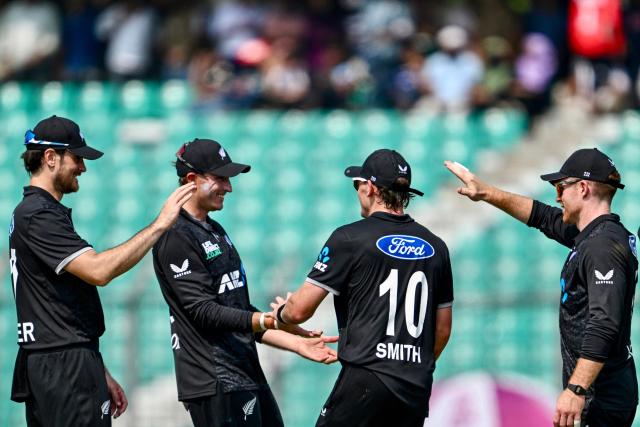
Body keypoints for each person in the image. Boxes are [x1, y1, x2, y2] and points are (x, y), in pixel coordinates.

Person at [8, 115, 195, 426]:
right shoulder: (38, 214)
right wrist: (160, 225)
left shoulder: (36, 212)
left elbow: (63, 303)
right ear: (51, 157)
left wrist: (99, 369)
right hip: (63, 364)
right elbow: (98, 271)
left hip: (63, 357)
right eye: (77, 158)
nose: (82, 167)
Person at [152, 138, 338, 427]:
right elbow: (204, 312)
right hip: (215, 379)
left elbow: (237, 310)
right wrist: (268, 319)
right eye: (220, 178)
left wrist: (295, 341)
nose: (229, 187)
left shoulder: (215, 229)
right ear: (191, 179)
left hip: (243, 372)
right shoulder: (175, 235)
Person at [445, 148, 638, 427]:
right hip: (602, 393)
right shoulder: (595, 236)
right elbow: (542, 217)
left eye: (561, 187)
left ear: (583, 188)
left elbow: (604, 323)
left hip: (601, 397)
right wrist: (486, 192)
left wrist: (576, 390)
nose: (557, 197)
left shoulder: (601, 246)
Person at [270, 149, 454, 426]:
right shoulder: (437, 247)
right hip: (415, 385)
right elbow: (442, 329)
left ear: (369, 187)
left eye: (357, 185)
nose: (357, 191)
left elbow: (299, 311)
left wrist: (281, 315)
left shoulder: (349, 238)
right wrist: (408, 366)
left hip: (367, 378)